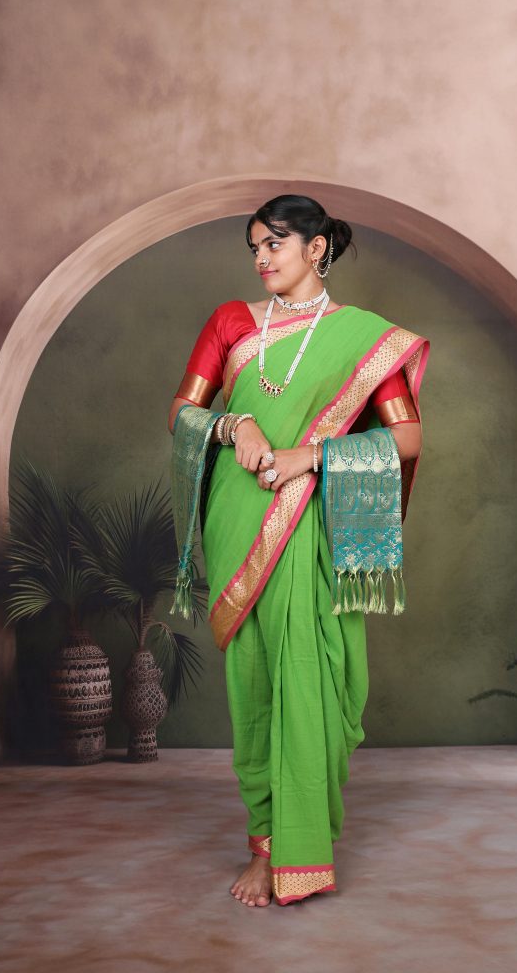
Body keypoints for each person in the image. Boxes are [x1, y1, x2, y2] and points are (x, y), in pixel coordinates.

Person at [168, 194, 429, 907]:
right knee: (253, 685)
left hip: (310, 521)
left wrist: (308, 457)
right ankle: (264, 843)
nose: (262, 257)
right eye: (255, 245)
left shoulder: (368, 339)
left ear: (316, 248)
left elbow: (405, 438)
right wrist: (237, 426)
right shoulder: (229, 322)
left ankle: (295, 848)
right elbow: (184, 412)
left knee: (311, 678)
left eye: (276, 242)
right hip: (238, 518)